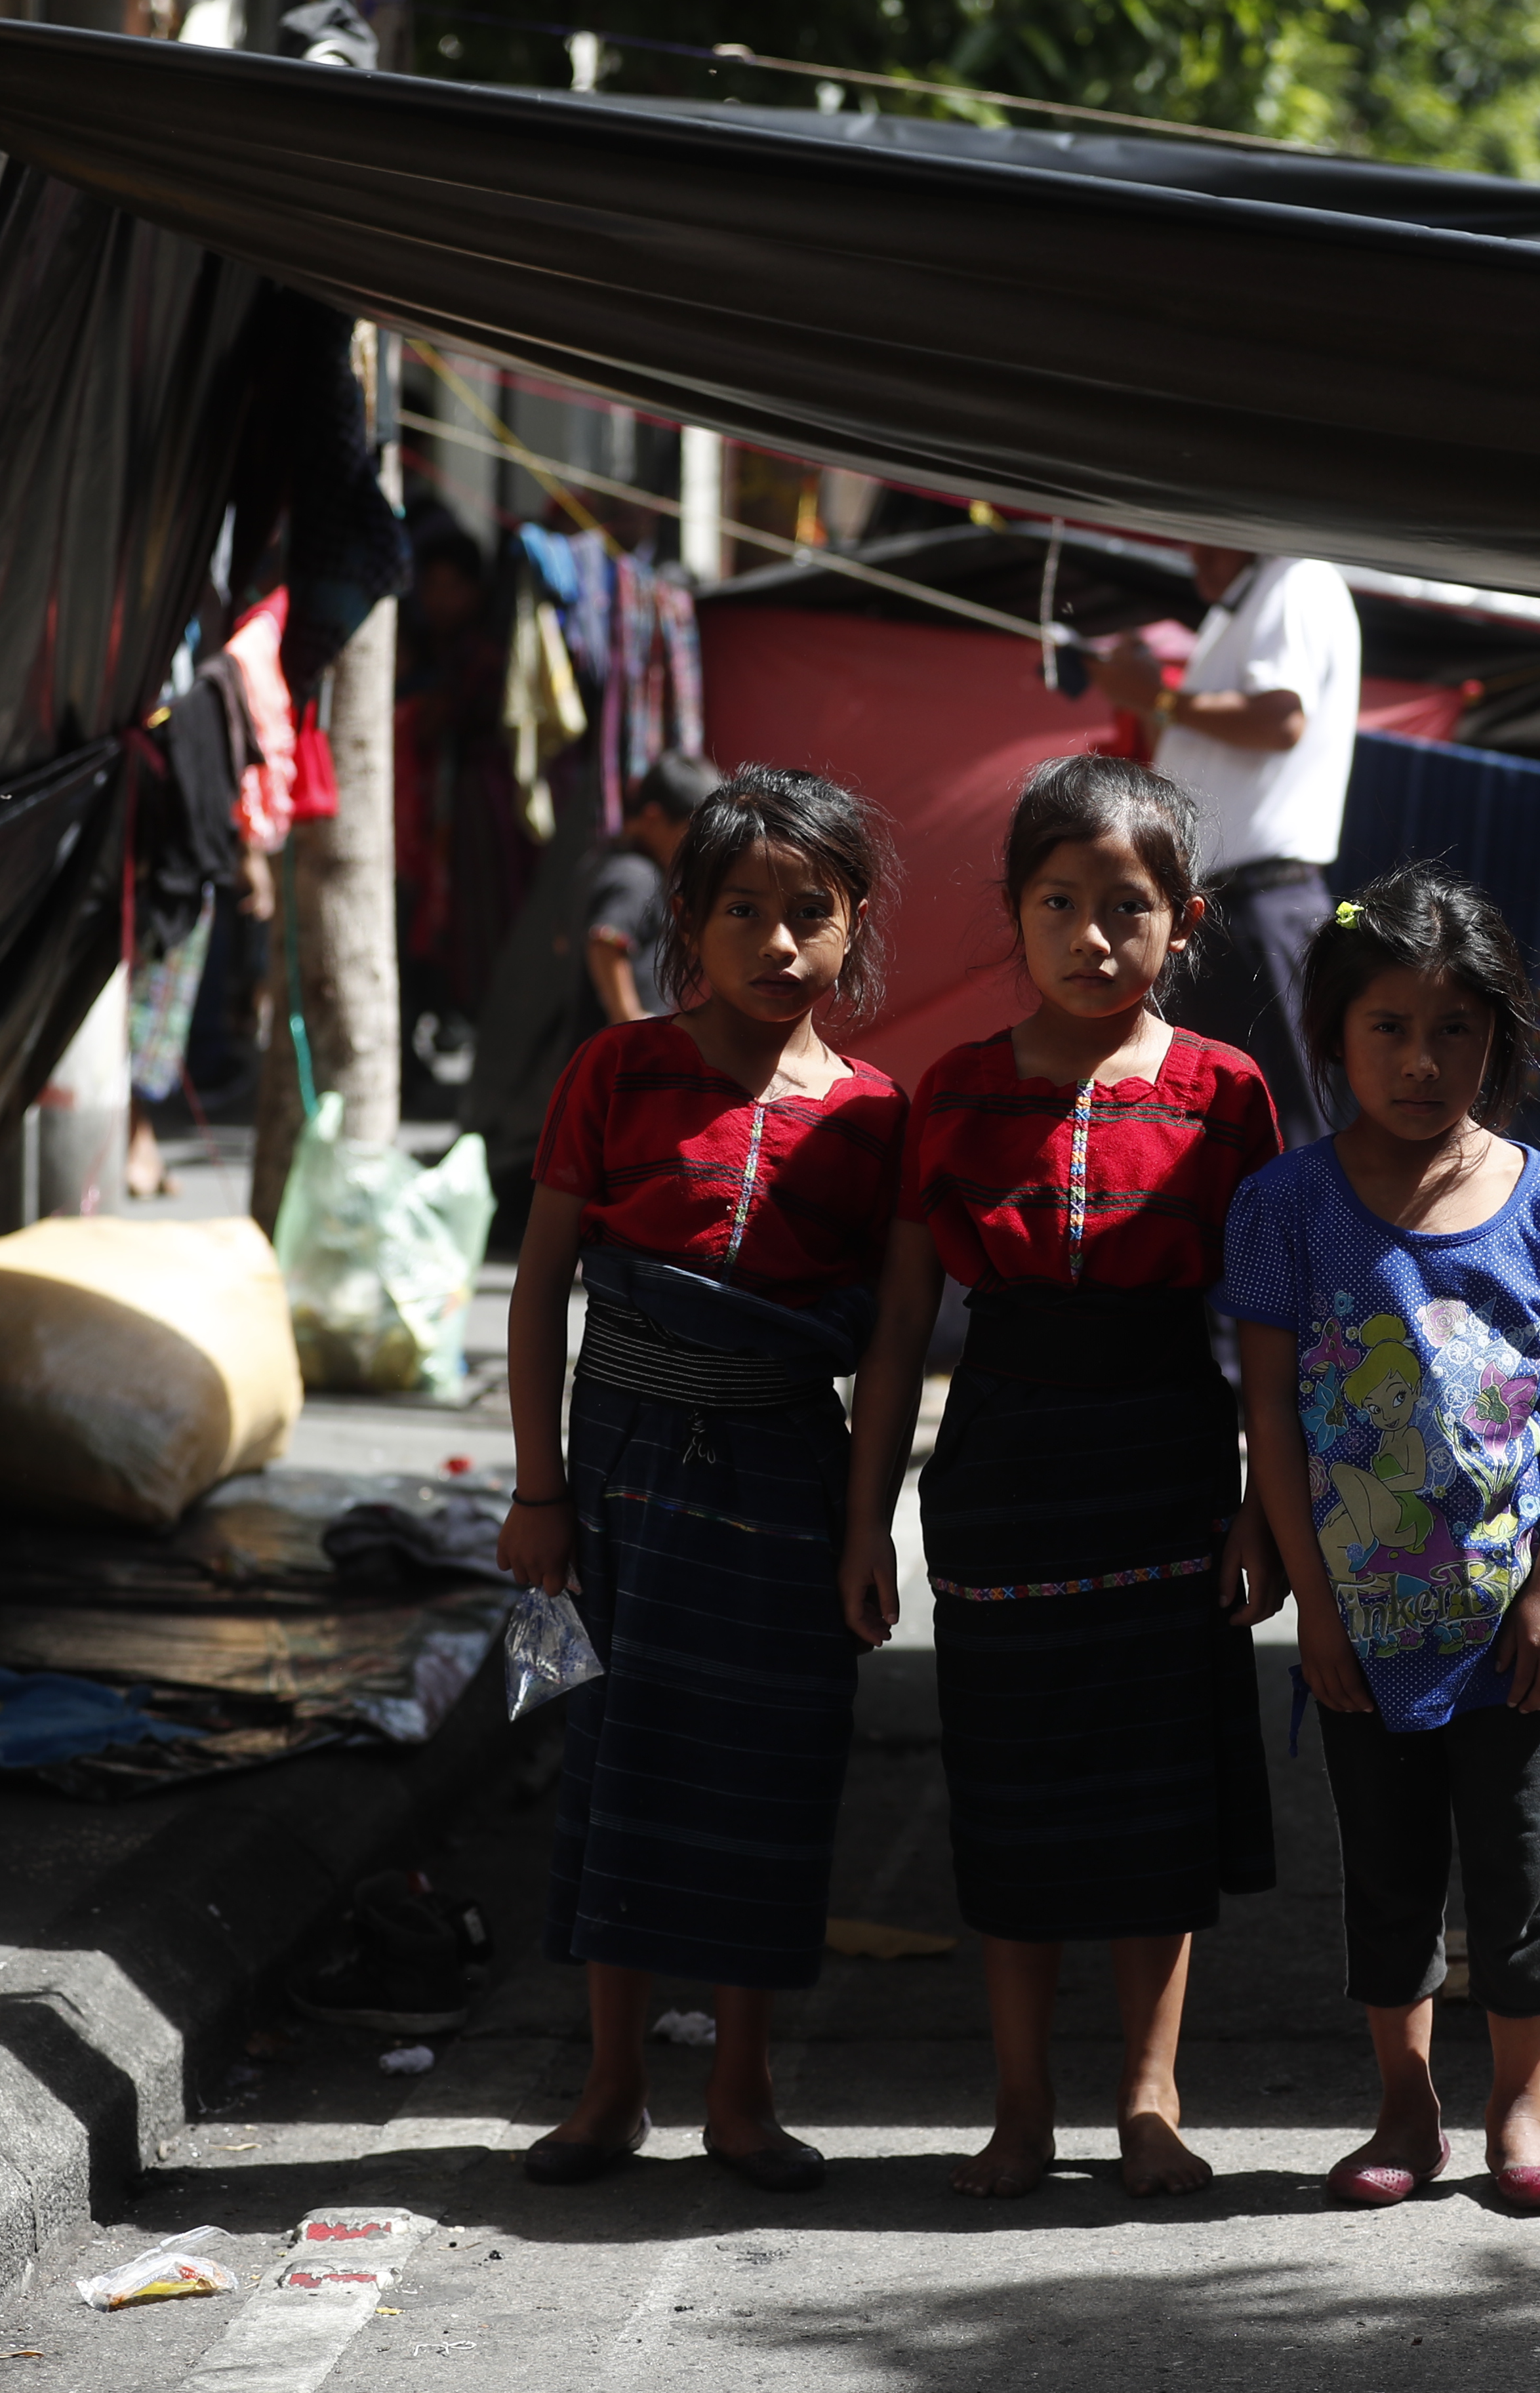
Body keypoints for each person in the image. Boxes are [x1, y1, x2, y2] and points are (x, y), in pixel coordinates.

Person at [838, 754, 1286, 2201]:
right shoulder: (954, 1093)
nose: (1095, 936)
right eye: (1061, 902)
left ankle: (1148, 2098)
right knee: (1015, 1802)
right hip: (1005, 1476)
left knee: (1157, 1803)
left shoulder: (1228, 1096)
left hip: (1165, 1461)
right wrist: (869, 1518)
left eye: (1129, 906)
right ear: (1012, 916)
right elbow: (903, 1321)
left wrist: (1259, 1510)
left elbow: (1271, 1328)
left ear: (1186, 921)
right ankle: (1019, 2104)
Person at [494, 766, 906, 2195]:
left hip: (785, 1478)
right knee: (615, 1764)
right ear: (687, 918)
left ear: (856, 930)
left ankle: (743, 2091)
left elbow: (893, 1345)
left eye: (813, 913)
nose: (778, 943)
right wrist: (538, 1490)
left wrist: (869, 1525)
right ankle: (610, 2088)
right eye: (745, 911)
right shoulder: (614, 1074)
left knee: (768, 1777)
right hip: (616, 1477)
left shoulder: (873, 1118)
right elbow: (543, 1287)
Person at [1221, 865, 1540, 2216]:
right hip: (1362, 1630)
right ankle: (1406, 2102)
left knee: (1520, 1875)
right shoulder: (1287, 1208)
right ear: (1332, 1033)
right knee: (1389, 1879)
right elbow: (1269, 1414)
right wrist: (1311, 1609)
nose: (1421, 1058)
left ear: (1498, 1041)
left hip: (1515, 1628)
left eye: (1455, 1029)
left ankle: (1521, 2103)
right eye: (1387, 1026)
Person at [1091, 547, 1360, 1147]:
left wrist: (1160, 699)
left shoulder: (1296, 578)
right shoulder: (1237, 611)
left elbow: (1279, 721)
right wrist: (1148, 698)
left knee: (1287, 1124)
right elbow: (1207, 751)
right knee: (1206, 1124)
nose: (1195, 556)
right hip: (1219, 904)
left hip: (1262, 902)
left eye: (1208, 539)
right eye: (1188, 541)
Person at [460, 753, 723, 1223]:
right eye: (688, 834)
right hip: (621, 1056)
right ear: (653, 818)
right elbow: (607, 940)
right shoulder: (635, 876)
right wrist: (630, 1017)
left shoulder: (600, 862)